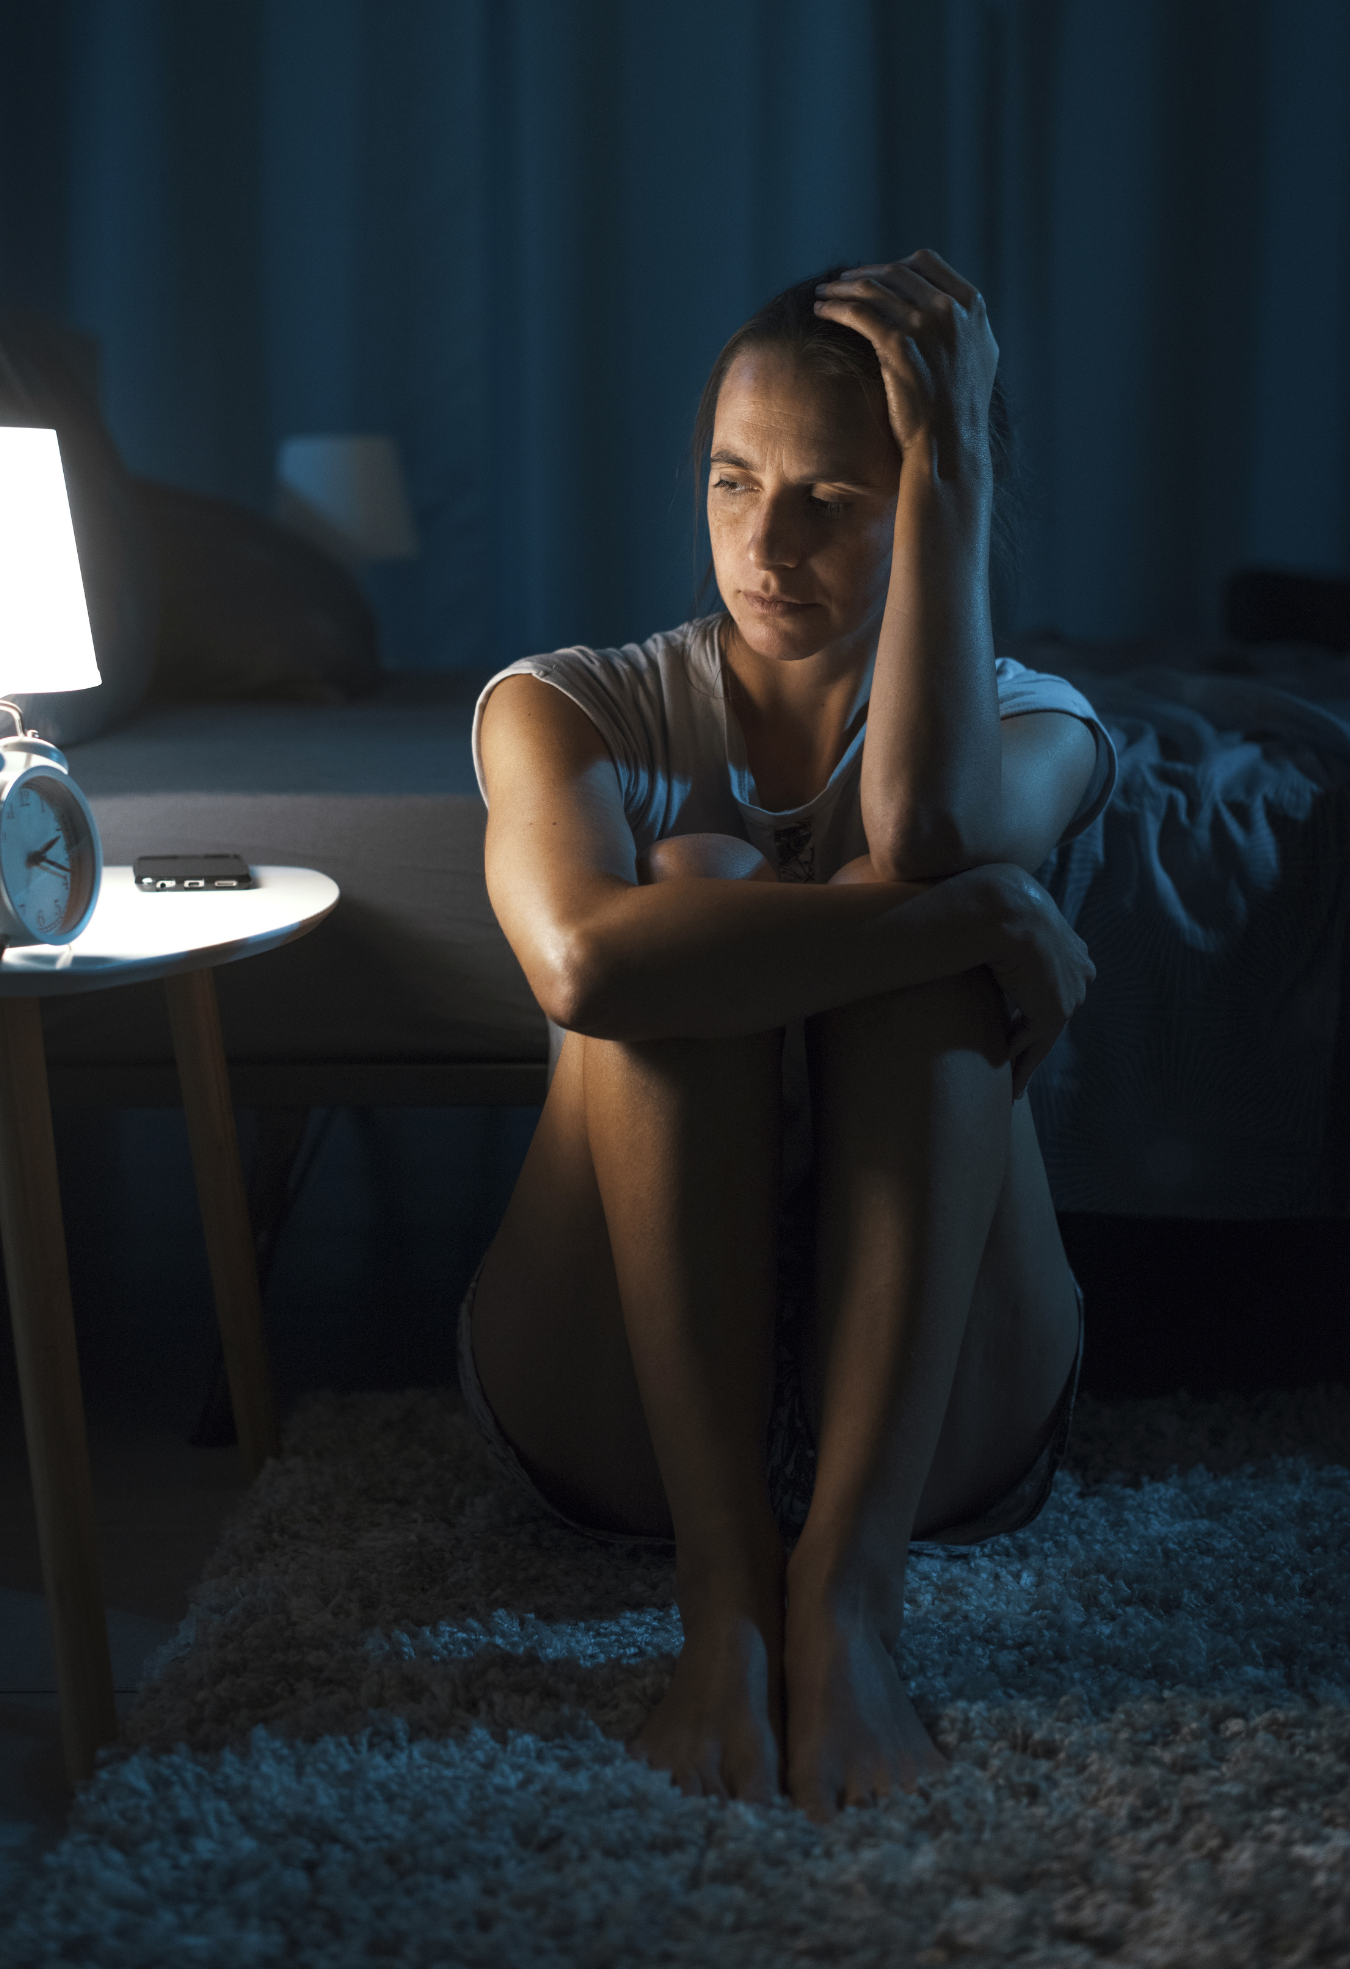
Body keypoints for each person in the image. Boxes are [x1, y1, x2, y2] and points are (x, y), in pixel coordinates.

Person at [459, 251, 1115, 1820]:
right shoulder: (569, 709)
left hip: (939, 1419)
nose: (766, 541)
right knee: (702, 890)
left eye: (835, 496)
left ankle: (849, 1604)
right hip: (618, 1401)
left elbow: (939, 831)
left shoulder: (1044, 727)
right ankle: (721, 1601)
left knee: (918, 920)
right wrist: (968, 918)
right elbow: (585, 970)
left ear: (935, 505)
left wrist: (951, 449)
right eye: (734, 481)